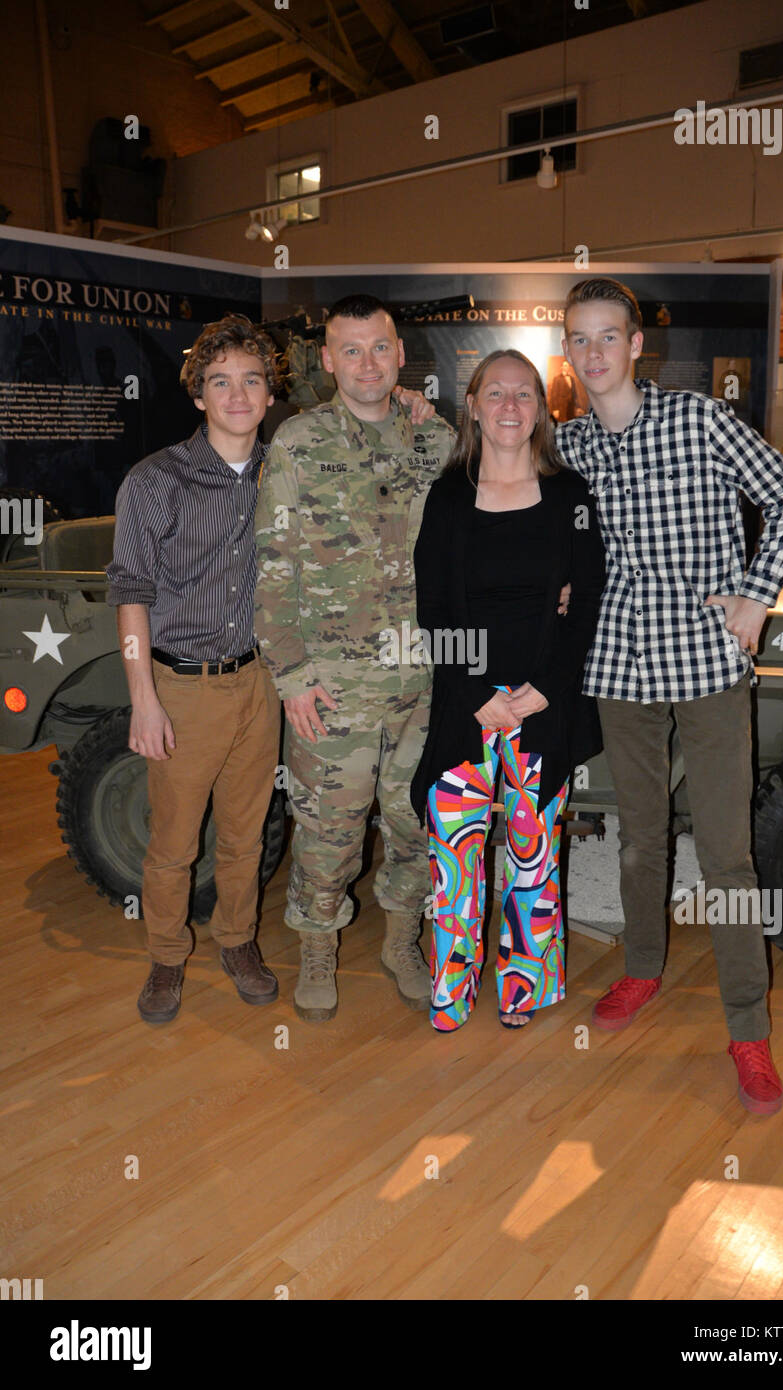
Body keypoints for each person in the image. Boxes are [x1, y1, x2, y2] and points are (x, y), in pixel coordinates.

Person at [557, 276, 783, 1114]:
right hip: (620, 670)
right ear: (569, 351)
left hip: (704, 665)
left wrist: (757, 594)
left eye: (607, 337)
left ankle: (747, 1027)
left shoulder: (699, 420)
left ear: (637, 346)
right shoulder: (574, 446)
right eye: (579, 339)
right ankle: (641, 970)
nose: (594, 353)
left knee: (726, 854)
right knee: (638, 839)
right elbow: (494, 458)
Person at [254, 294, 455, 1021]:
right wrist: (293, 675)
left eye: (380, 348)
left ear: (402, 356)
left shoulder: (437, 442)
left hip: (424, 679)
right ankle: (317, 945)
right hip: (333, 684)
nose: (367, 363)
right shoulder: (299, 444)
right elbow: (272, 564)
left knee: (414, 823)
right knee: (329, 828)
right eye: (351, 349)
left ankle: (402, 941)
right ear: (328, 359)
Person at [410, 350, 606, 1031]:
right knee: (456, 869)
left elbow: (586, 606)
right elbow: (430, 607)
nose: (511, 406)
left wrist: (546, 690)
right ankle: (452, 992)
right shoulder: (447, 496)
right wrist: (474, 694)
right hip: (467, 713)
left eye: (524, 394)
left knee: (533, 863)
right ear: (473, 404)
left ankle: (524, 987)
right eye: (496, 393)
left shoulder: (572, 499)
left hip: (540, 712)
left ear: (541, 410)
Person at [107, 314, 283, 1023]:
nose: (237, 395)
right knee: (175, 842)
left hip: (260, 684)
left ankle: (237, 942)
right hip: (182, 687)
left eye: (251, 380)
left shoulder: (285, 472)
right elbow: (130, 593)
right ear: (199, 395)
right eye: (220, 382)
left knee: (247, 834)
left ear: (271, 394)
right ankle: (165, 957)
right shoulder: (156, 481)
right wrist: (143, 699)